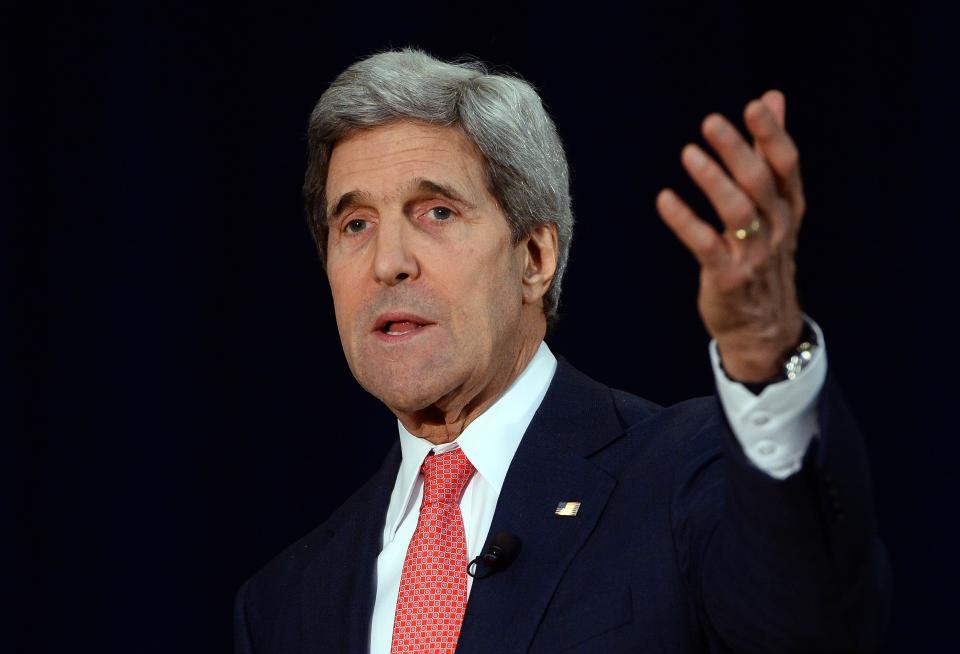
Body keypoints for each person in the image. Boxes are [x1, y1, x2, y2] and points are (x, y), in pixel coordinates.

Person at [234, 48, 891, 653]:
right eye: (355, 224)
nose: (388, 263)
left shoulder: (688, 475)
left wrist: (766, 355)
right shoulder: (287, 601)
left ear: (535, 258)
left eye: (435, 212)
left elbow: (813, 624)